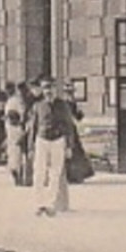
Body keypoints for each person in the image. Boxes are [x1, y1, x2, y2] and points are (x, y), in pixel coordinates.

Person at [27, 78, 80, 216]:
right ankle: (38, 204)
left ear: (56, 90)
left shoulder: (63, 106)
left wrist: (69, 146)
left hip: (58, 140)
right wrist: (30, 147)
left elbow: (69, 126)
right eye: (46, 89)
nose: (48, 92)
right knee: (39, 173)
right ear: (43, 91)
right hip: (41, 140)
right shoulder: (38, 106)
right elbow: (33, 127)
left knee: (55, 173)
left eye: (51, 89)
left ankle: (51, 204)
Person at [5, 81, 29, 185]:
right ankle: (15, 171)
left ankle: (18, 173)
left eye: (9, 89)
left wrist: (19, 122)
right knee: (13, 151)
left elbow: (21, 114)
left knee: (17, 152)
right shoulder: (11, 100)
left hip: (16, 128)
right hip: (10, 128)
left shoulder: (16, 100)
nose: (7, 91)